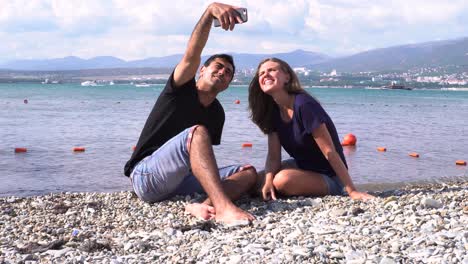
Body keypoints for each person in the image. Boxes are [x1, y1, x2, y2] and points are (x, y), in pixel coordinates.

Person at [124, 2, 256, 224]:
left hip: (181, 182)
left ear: (228, 84)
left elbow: (202, 161)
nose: (223, 72)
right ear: (202, 70)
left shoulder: (217, 113)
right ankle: (224, 209)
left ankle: (203, 206)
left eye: (228, 72)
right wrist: (209, 13)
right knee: (197, 133)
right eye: (219, 66)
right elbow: (192, 53)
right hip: (147, 177)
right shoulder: (180, 89)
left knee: (248, 171)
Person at [248, 58, 374, 201]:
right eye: (261, 73)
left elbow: (329, 151)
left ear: (287, 77)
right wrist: (268, 181)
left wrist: (352, 191)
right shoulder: (272, 112)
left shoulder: (304, 105)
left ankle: (338, 188)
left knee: (282, 181)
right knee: (255, 180)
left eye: (272, 70)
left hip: (330, 176)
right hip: (303, 166)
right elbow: (273, 156)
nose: (266, 75)